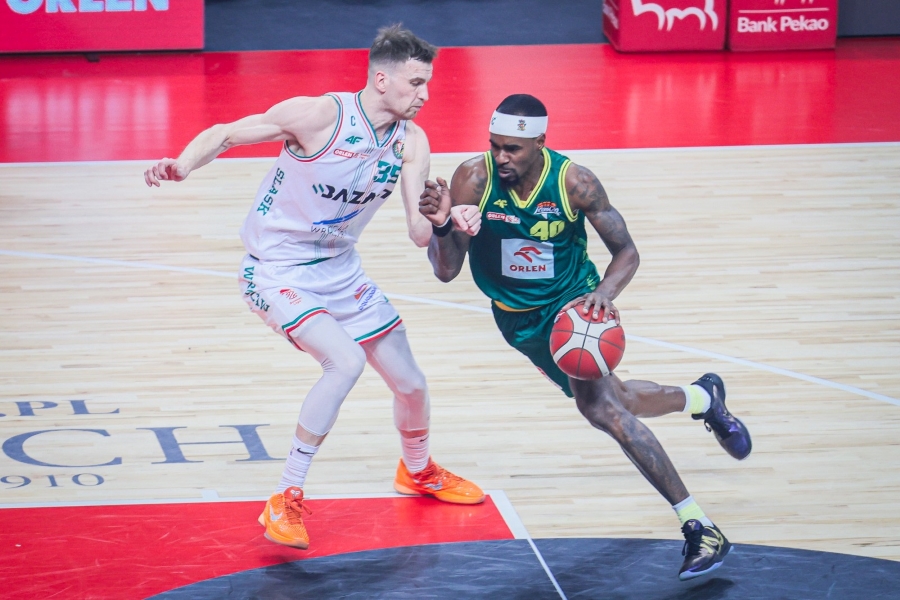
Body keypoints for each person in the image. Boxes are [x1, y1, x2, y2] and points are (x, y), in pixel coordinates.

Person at [143, 25, 484, 551]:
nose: (426, 94)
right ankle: (286, 494)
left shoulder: (411, 141)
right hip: (277, 270)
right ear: (382, 79)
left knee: (412, 385)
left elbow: (420, 233)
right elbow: (226, 132)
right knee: (344, 362)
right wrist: (183, 165)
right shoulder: (320, 116)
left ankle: (417, 471)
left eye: (428, 83)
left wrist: (445, 218)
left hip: (342, 273)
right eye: (416, 82)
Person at [418, 93, 752, 581]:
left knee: (602, 411)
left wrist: (604, 294)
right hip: (516, 321)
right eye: (494, 145)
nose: (501, 157)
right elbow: (446, 271)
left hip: (572, 308)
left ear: (540, 143)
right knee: (621, 400)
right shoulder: (474, 179)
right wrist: (442, 226)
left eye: (512, 148)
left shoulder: (575, 182)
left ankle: (699, 526)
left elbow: (627, 251)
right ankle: (704, 397)